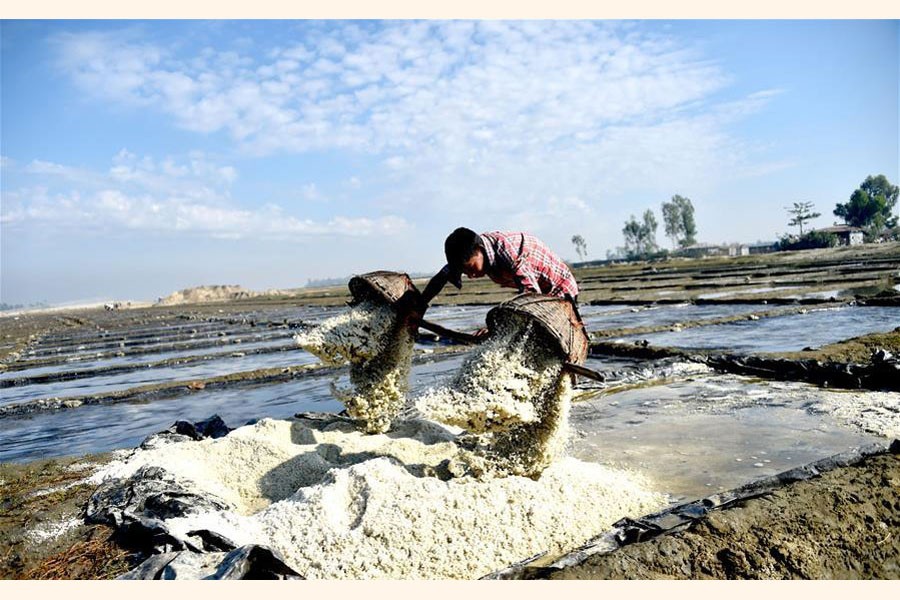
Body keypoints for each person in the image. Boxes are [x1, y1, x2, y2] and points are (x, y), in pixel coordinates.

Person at [407, 227, 580, 338]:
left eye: (470, 268)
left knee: (543, 336)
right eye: (464, 272)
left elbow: (531, 297)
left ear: (479, 251)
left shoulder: (508, 252)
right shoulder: (466, 253)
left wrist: (497, 330)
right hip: (538, 291)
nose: (470, 275)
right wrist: (419, 308)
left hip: (559, 290)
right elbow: (440, 278)